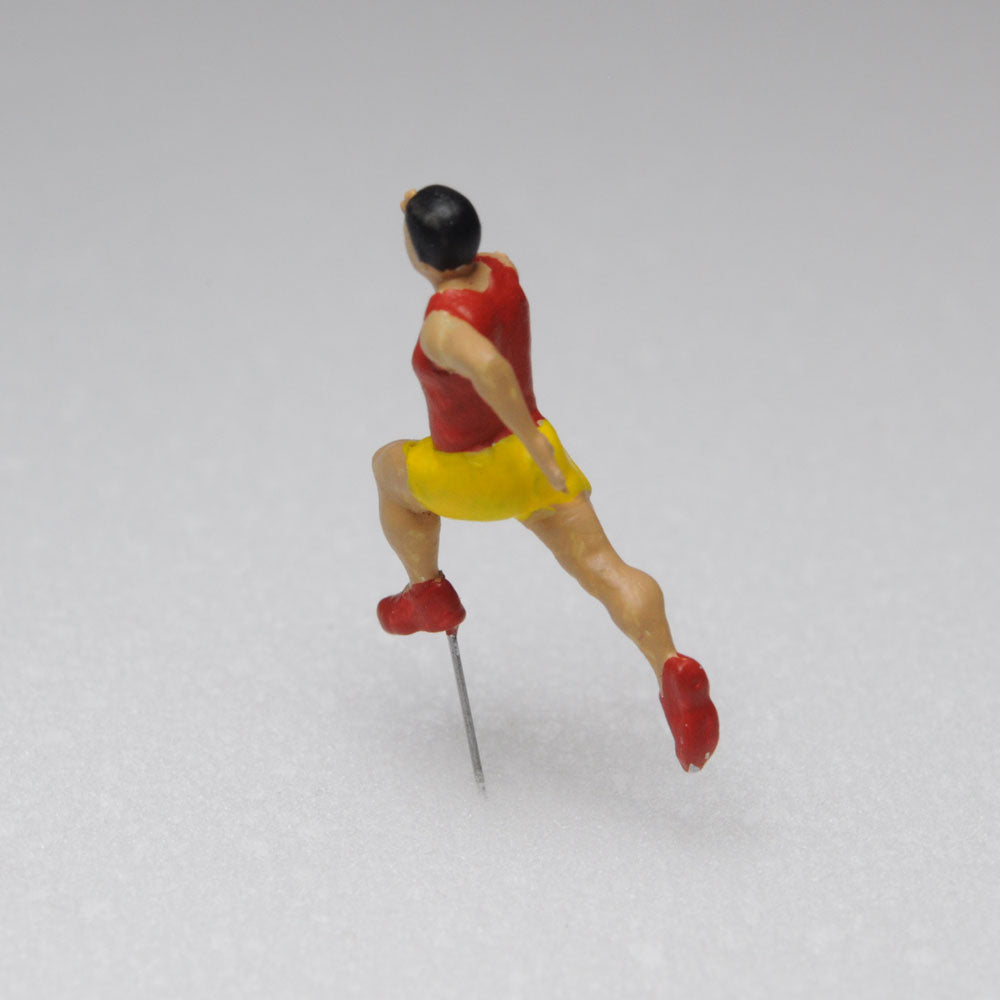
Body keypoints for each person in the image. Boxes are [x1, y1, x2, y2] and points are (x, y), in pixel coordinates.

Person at [372, 185, 719, 772]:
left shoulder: (442, 328)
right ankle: (669, 665)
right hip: (539, 462)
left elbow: (489, 367)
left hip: (476, 471)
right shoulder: (502, 268)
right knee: (604, 565)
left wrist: (523, 434)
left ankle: (425, 591)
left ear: (419, 254)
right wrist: (535, 443)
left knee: (388, 468)